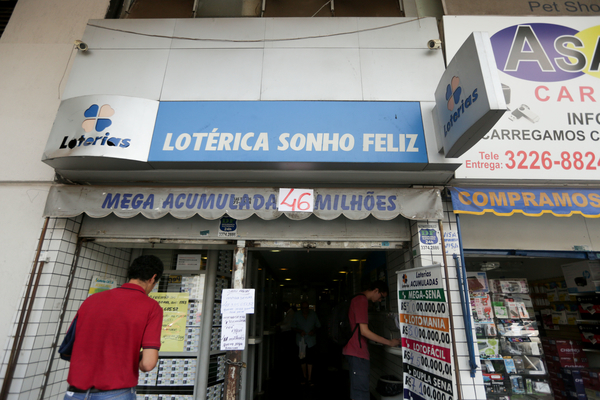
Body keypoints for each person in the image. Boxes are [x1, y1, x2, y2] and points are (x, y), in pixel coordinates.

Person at [63, 255, 165, 400]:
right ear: (153, 278)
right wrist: (135, 356)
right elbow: (147, 364)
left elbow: (70, 346)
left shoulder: (91, 301)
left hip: (75, 393)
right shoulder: (151, 307)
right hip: (116, 392)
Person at [343, 280, 401, 400]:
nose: (380, 300)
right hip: (357, 353)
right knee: (361, 393)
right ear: (376, 291)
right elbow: (364, 331)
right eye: (381, 296)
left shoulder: (357, 299)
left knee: (358, 391)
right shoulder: (361, 300)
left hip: (355, 352)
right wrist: (389, 342)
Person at [292, 301, 321, 386]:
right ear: (301, 308)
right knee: (302, 359)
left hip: (311, 340)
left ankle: (309, 378)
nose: (305, 310)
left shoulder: (313, 314)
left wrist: (313, 331)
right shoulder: (297, 315)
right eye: (303, 308)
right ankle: (304, 377)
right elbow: (292, 327)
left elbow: (318, 326)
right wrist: (300, 331)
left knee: (310, 359)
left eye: (306, 308)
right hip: (300, 341)